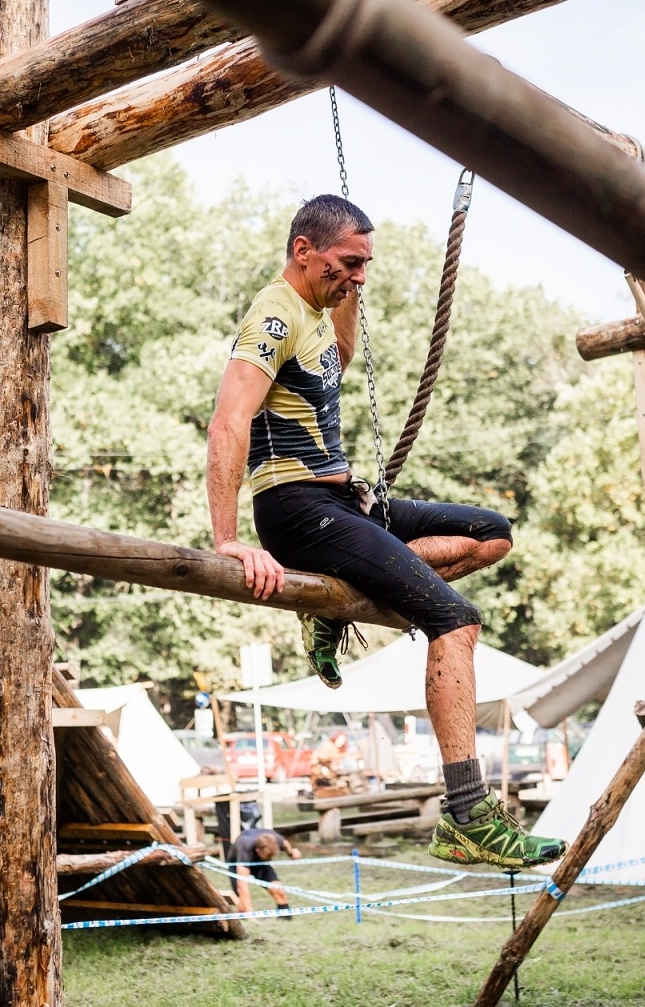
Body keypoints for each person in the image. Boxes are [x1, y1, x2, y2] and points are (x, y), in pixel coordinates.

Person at [206, 195, 562, 870]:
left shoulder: (316, 312)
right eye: (348, 263)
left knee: (491, 534)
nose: (359, 276)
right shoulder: (275, 314)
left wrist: (347, 290)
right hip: (297, 507)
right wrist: (228, 539)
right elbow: (228, 420)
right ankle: (468, 816)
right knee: (455, 621)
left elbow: (338, 355)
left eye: (365, 265)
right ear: (303, 250)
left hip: (346, 502)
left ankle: (334, 606)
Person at [229, 827, 302, 916]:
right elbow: (243, 887)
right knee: (242, 903)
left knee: (278, 890)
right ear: (258, 850)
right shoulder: (246, 848)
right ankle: (244, 917)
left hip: (260, 862)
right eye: (268, 856)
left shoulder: (276, 840)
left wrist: (291, 853)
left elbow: (285, 843)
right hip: (237, 863)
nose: (271, 859)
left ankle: (285, 918)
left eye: (272, 856)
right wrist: (251, 917)